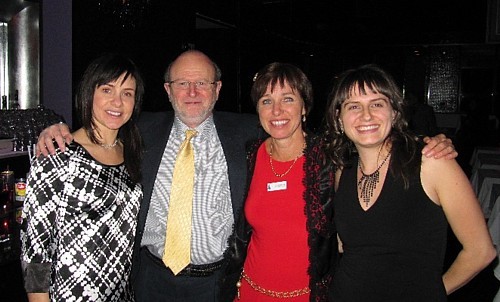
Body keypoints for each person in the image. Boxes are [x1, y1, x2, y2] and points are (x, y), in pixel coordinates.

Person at [36, 51, 456, 301]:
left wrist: (421, 142)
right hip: (147, 280)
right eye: (183, 84)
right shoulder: (140, 130)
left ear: (219, 89)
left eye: (203, 83)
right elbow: (99, 129)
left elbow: (354, 141)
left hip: (216, 284)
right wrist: (56, 130)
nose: (193, 92)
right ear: (166, 90)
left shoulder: (249, 133)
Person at [324, 64, 496, 301]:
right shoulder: (343, 171)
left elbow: (481, 252)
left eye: (377, 103)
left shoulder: (431, 162)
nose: (366, 115)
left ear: (394, 113)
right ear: (339, 119)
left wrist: (430, 293)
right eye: (353, 106)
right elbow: (347, 246)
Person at [21, 53, 145, 301]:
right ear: (90, 93)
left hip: (122, 295)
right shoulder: (58, 154)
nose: (117, 102)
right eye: (107, 90)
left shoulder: (133, 153)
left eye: (127, 93)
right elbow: (35, 250)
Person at [219, 62, 337, 302]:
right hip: (249, 291)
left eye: (288, 99)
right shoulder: (249, 156)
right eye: (266, 101)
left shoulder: (330, 160)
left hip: (307, 296)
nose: (276, 111)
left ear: (305, 106)